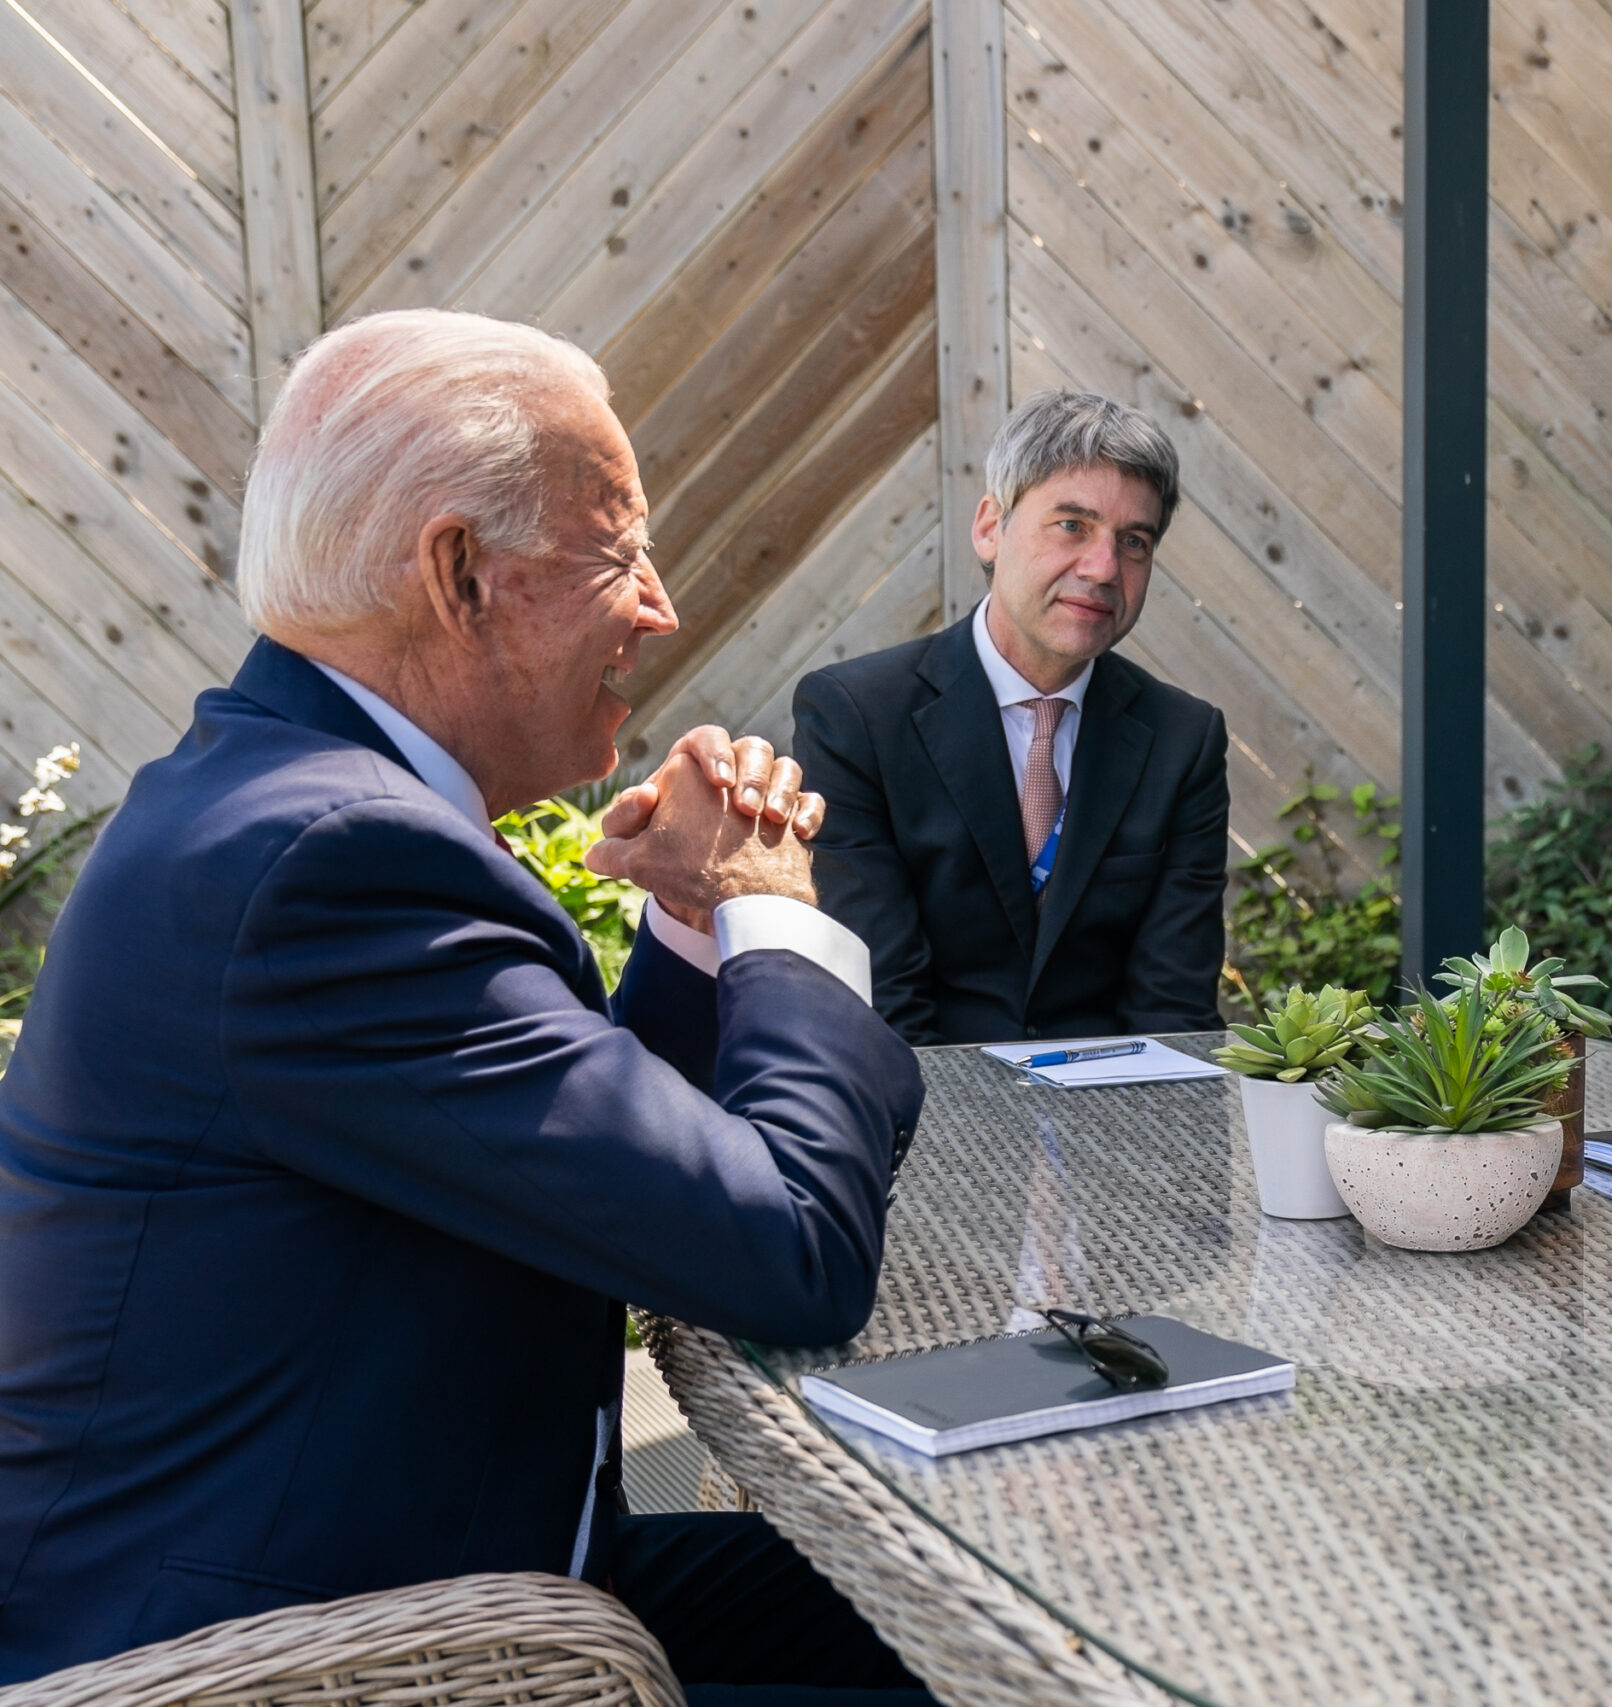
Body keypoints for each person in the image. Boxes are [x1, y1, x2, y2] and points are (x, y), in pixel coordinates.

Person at [0, 309, 933, 1701]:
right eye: (618, 552)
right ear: (460, 575)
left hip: (434, 1555)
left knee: (910, 1613)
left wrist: (685, 924)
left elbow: (581, 1162)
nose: (662, 606)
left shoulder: (280, 796)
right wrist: (771, 906)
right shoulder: (328, 863)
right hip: (296, 1653)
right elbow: (790, 1253)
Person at [792, 390, 1228, 1046]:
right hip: (921, 1114)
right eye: (1072, 525)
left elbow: (1172, 1012)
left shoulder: (1183, 742)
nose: (1104, 568)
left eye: (1133, 541)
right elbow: (883, 1001)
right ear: (991, 527)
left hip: (1113, 1122)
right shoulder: (856, 720)